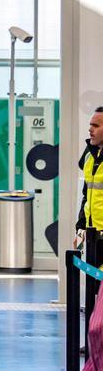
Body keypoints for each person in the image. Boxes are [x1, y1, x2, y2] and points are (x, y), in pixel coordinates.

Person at [78, 108, 103, 310]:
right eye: (90, 125)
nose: (90, 129)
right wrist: (80, 226)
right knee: (95, 286)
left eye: (96, 125)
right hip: (93, 235)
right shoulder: (89, 155)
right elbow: (87, 194)